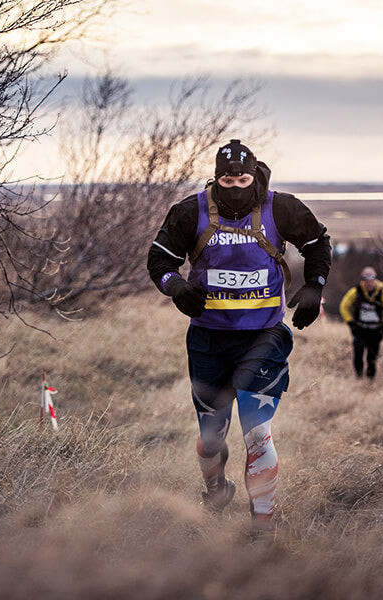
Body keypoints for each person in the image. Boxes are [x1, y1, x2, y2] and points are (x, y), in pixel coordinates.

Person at [147, 139, 331, 531]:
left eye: (243, 179)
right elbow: (159, 258)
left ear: (255, 175)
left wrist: (315, 286)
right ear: (216, 177)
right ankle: (215, 487)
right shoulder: (190, 211)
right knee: (210, 437)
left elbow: (318, 243)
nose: (235, 187)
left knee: (257, 431)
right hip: (208, 339)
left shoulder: (280, 208)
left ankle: (261, 528)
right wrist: (175, 287)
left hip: (263, 336)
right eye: (227, 180)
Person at [339, 266, 383, 381]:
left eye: (371, 278)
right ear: (363, 279)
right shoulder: (355, 292)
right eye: (366, 278)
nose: (369, 282)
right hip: (359, 329)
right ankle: (359, 377)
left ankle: (370, 381)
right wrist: (350, 323)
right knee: (358, 356)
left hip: (376, 330)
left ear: (375, 279)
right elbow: (344, 306)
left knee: (372, 358)